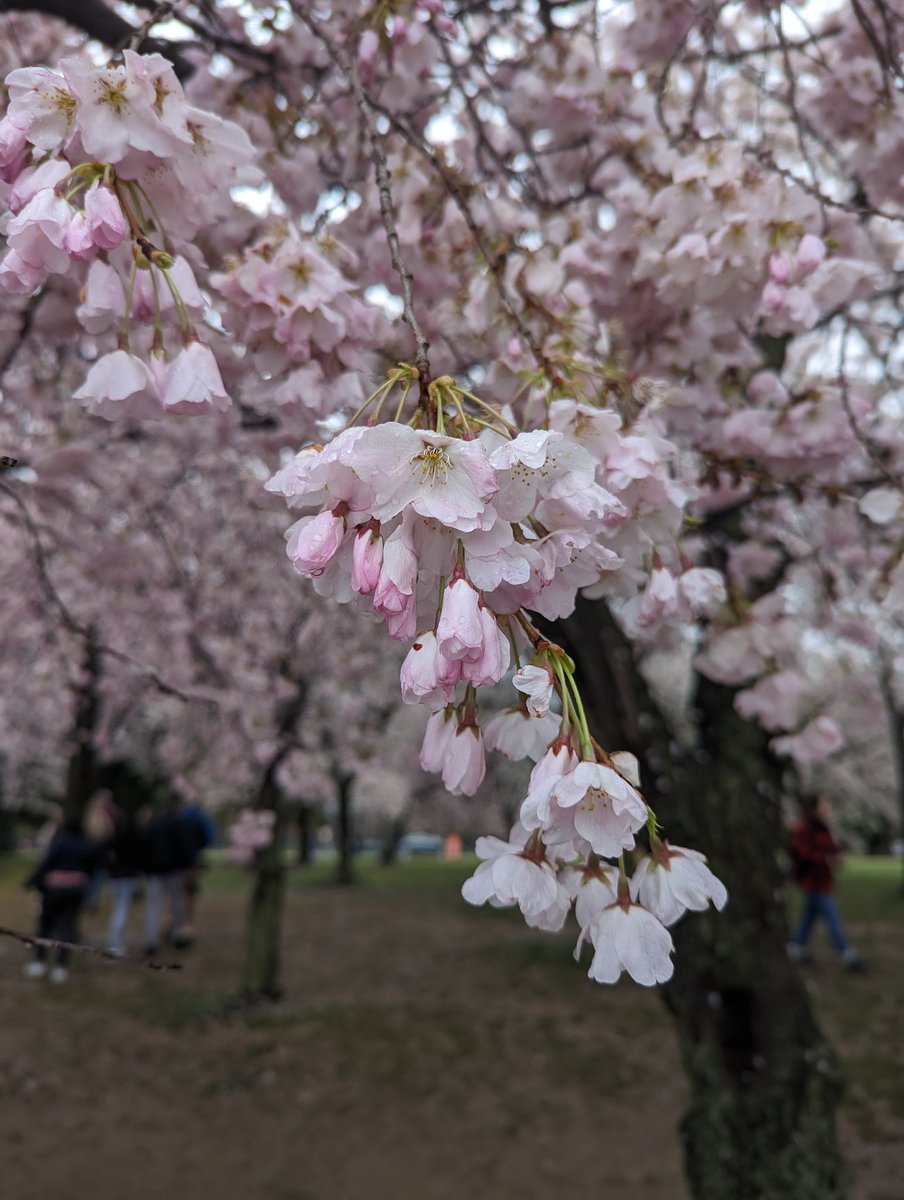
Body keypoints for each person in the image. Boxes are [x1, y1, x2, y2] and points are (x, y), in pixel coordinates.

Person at [22, 815, 102, 983]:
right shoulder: (87, 844)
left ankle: (39, 961)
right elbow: (94, 868)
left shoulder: (60, 842)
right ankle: (61, 966)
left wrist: (29, 882)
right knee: (68, 927)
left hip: (54, 891)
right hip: (75, 891)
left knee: (45, 926)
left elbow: (46, 864)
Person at [788, 796, 864, 971]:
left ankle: (797, 947)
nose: (827, 807)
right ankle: (847, 952)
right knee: (832, 917)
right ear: (814, 807)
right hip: (813, 882)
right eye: (824, 804)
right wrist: (827, 859)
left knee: (809, 915)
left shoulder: (822, 827)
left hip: (822, 881)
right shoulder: (804, 828)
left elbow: (829, 848)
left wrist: (835, 857)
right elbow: (803, 853)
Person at [105, 805, 148, 956]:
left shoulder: (116, 836)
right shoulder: (136, 837)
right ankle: (115, 944)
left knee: (118, 908)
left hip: (116, 877)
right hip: (127, 877)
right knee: (121, 910)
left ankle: (114, 941)